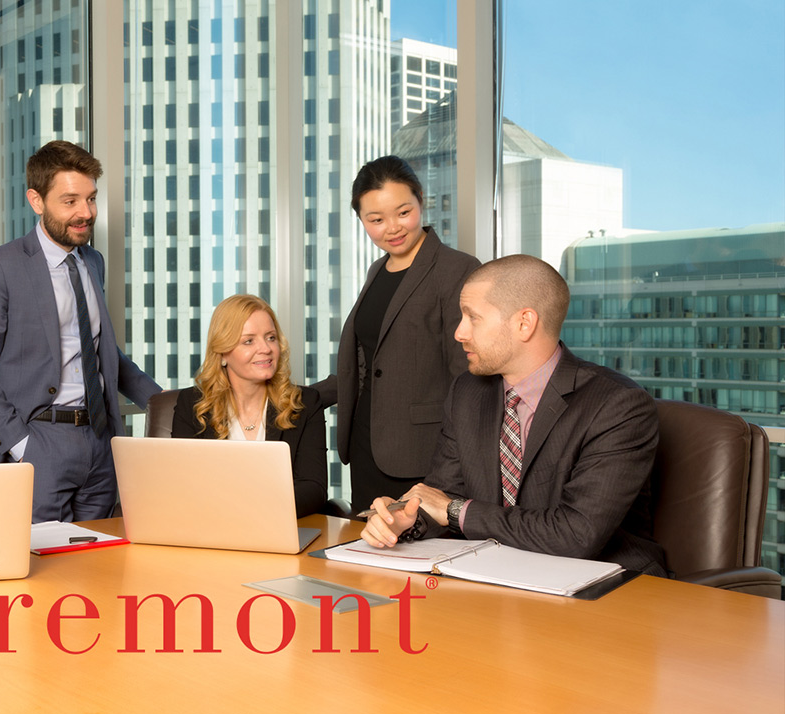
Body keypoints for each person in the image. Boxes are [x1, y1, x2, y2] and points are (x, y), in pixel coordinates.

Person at [361, 255, 668, 576]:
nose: (459, 332)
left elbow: (577, 535)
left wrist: (451, 509)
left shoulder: (618, 405)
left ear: (525, 323)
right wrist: (408, 520)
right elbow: (444, 496)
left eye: (472, 317)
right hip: (500, 575)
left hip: (606, 586)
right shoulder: (468, 391)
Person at [0, 140, 160, 522]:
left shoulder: (93, 262)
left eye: (91, 199)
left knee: (96, 570)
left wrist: (171, 406)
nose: (86, 213)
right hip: (38, 441)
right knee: (40, 574)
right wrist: (21, 445)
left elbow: (104, 355)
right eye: (70, 201)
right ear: (36, 200)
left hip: (100, 443)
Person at [315, 155, 480, 511]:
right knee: (366, 550)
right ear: (361, 219)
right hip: (366, 443)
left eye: (403, 212)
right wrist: (307, 396)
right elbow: (368, 360)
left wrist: (453, 461)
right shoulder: (378, 269)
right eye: (376, 219)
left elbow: (467, 376)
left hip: (425, 451)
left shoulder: (458, 269)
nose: (392, 227)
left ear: (421, 199)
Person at [172, 295, 328, 517]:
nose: (265, 348)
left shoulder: (305, 403)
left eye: (271, 337)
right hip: (212, 530)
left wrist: (253, 509)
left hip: (280, 530)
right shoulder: (192, 404)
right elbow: (183, 485)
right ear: (223, 352)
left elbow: (314, 490)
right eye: (249, 341)